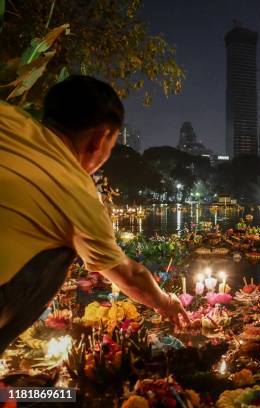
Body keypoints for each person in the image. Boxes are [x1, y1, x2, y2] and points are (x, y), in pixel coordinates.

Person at [0, 75, 190, 353]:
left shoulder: (9, 118)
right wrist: (165, 302)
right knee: (63, 252)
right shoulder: (78, 191)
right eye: (111, 148)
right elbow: (129, 275)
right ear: (100, 138)